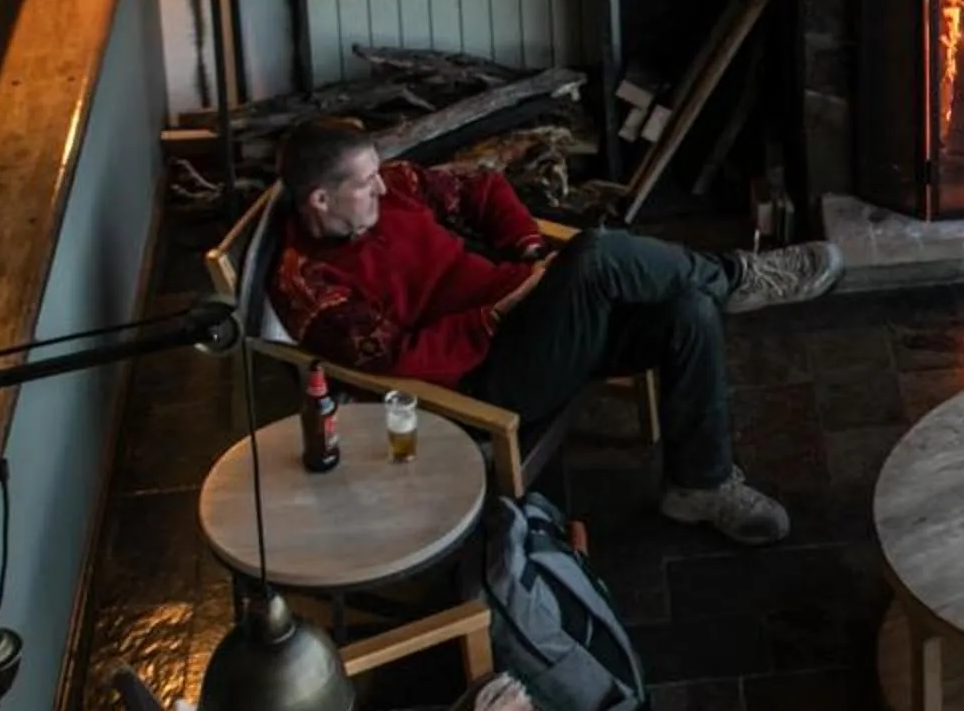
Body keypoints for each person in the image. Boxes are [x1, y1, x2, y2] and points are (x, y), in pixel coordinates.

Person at [266, 117, 842, 544]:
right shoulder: (311, 284)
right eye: (365, 184)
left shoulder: (395, 189)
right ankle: (739, 274)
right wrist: (495, 312)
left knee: (687, 309)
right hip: (480, 385)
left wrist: (531, 252)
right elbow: (399, 365)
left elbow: (482, 189)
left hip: (538, 327)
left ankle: (701, 485)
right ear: (320, 199)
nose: (383, 188)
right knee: (595, 254)